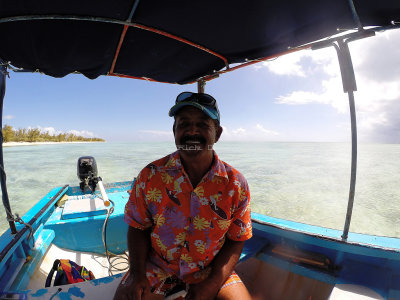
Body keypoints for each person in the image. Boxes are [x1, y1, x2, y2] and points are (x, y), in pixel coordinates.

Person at [115, 92, 252, 300]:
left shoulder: (236, 184)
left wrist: (213, 282)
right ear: (174, 131)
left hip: (210, 268)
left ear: (218, 133)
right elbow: (137, 226)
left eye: (203, 124)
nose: (192, 131)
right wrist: (136, 274)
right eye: (184, 123)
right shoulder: (150, 175)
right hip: (158, 265)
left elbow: (237, 239)